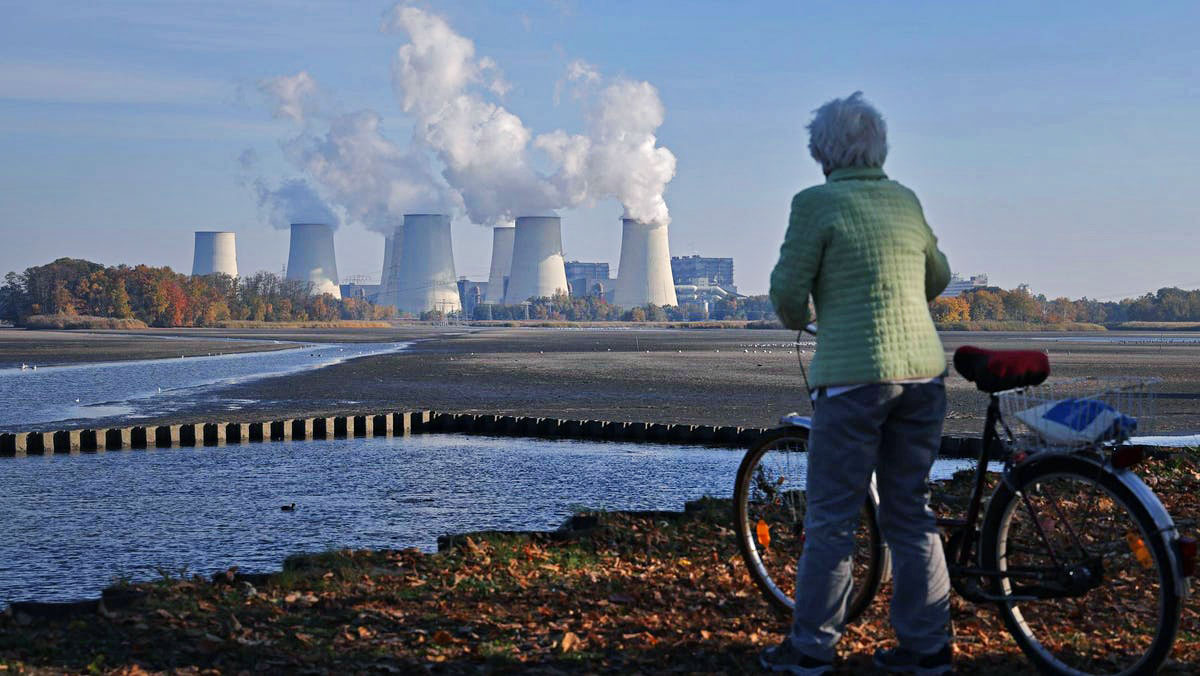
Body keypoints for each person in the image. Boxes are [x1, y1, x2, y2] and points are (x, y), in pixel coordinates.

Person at [759, 92, 954, 675]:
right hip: (923, 374)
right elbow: (938, 275)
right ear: (879, 146)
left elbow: (789, 298)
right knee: (911, 511)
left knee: (832, 519)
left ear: (822, 151)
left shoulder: (815, 204)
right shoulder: (904, 200)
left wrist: (817, 311)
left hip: (851, 380)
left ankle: (812, 648)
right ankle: (927, 649)